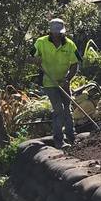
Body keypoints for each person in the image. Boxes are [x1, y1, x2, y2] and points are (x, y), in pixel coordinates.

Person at [34, 18, 78, 147]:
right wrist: (34, 60)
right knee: (59, 109)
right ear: (51, 32)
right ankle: (59, 141)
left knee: (67, 110)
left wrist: (68, 79)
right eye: (55, 33)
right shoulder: (40, 42)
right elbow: (28, 57)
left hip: (64, 81)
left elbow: (76, 62)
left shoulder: (70, 44)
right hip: (49, 82)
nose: (58, 35)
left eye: (60, 32)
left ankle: (72, 137)